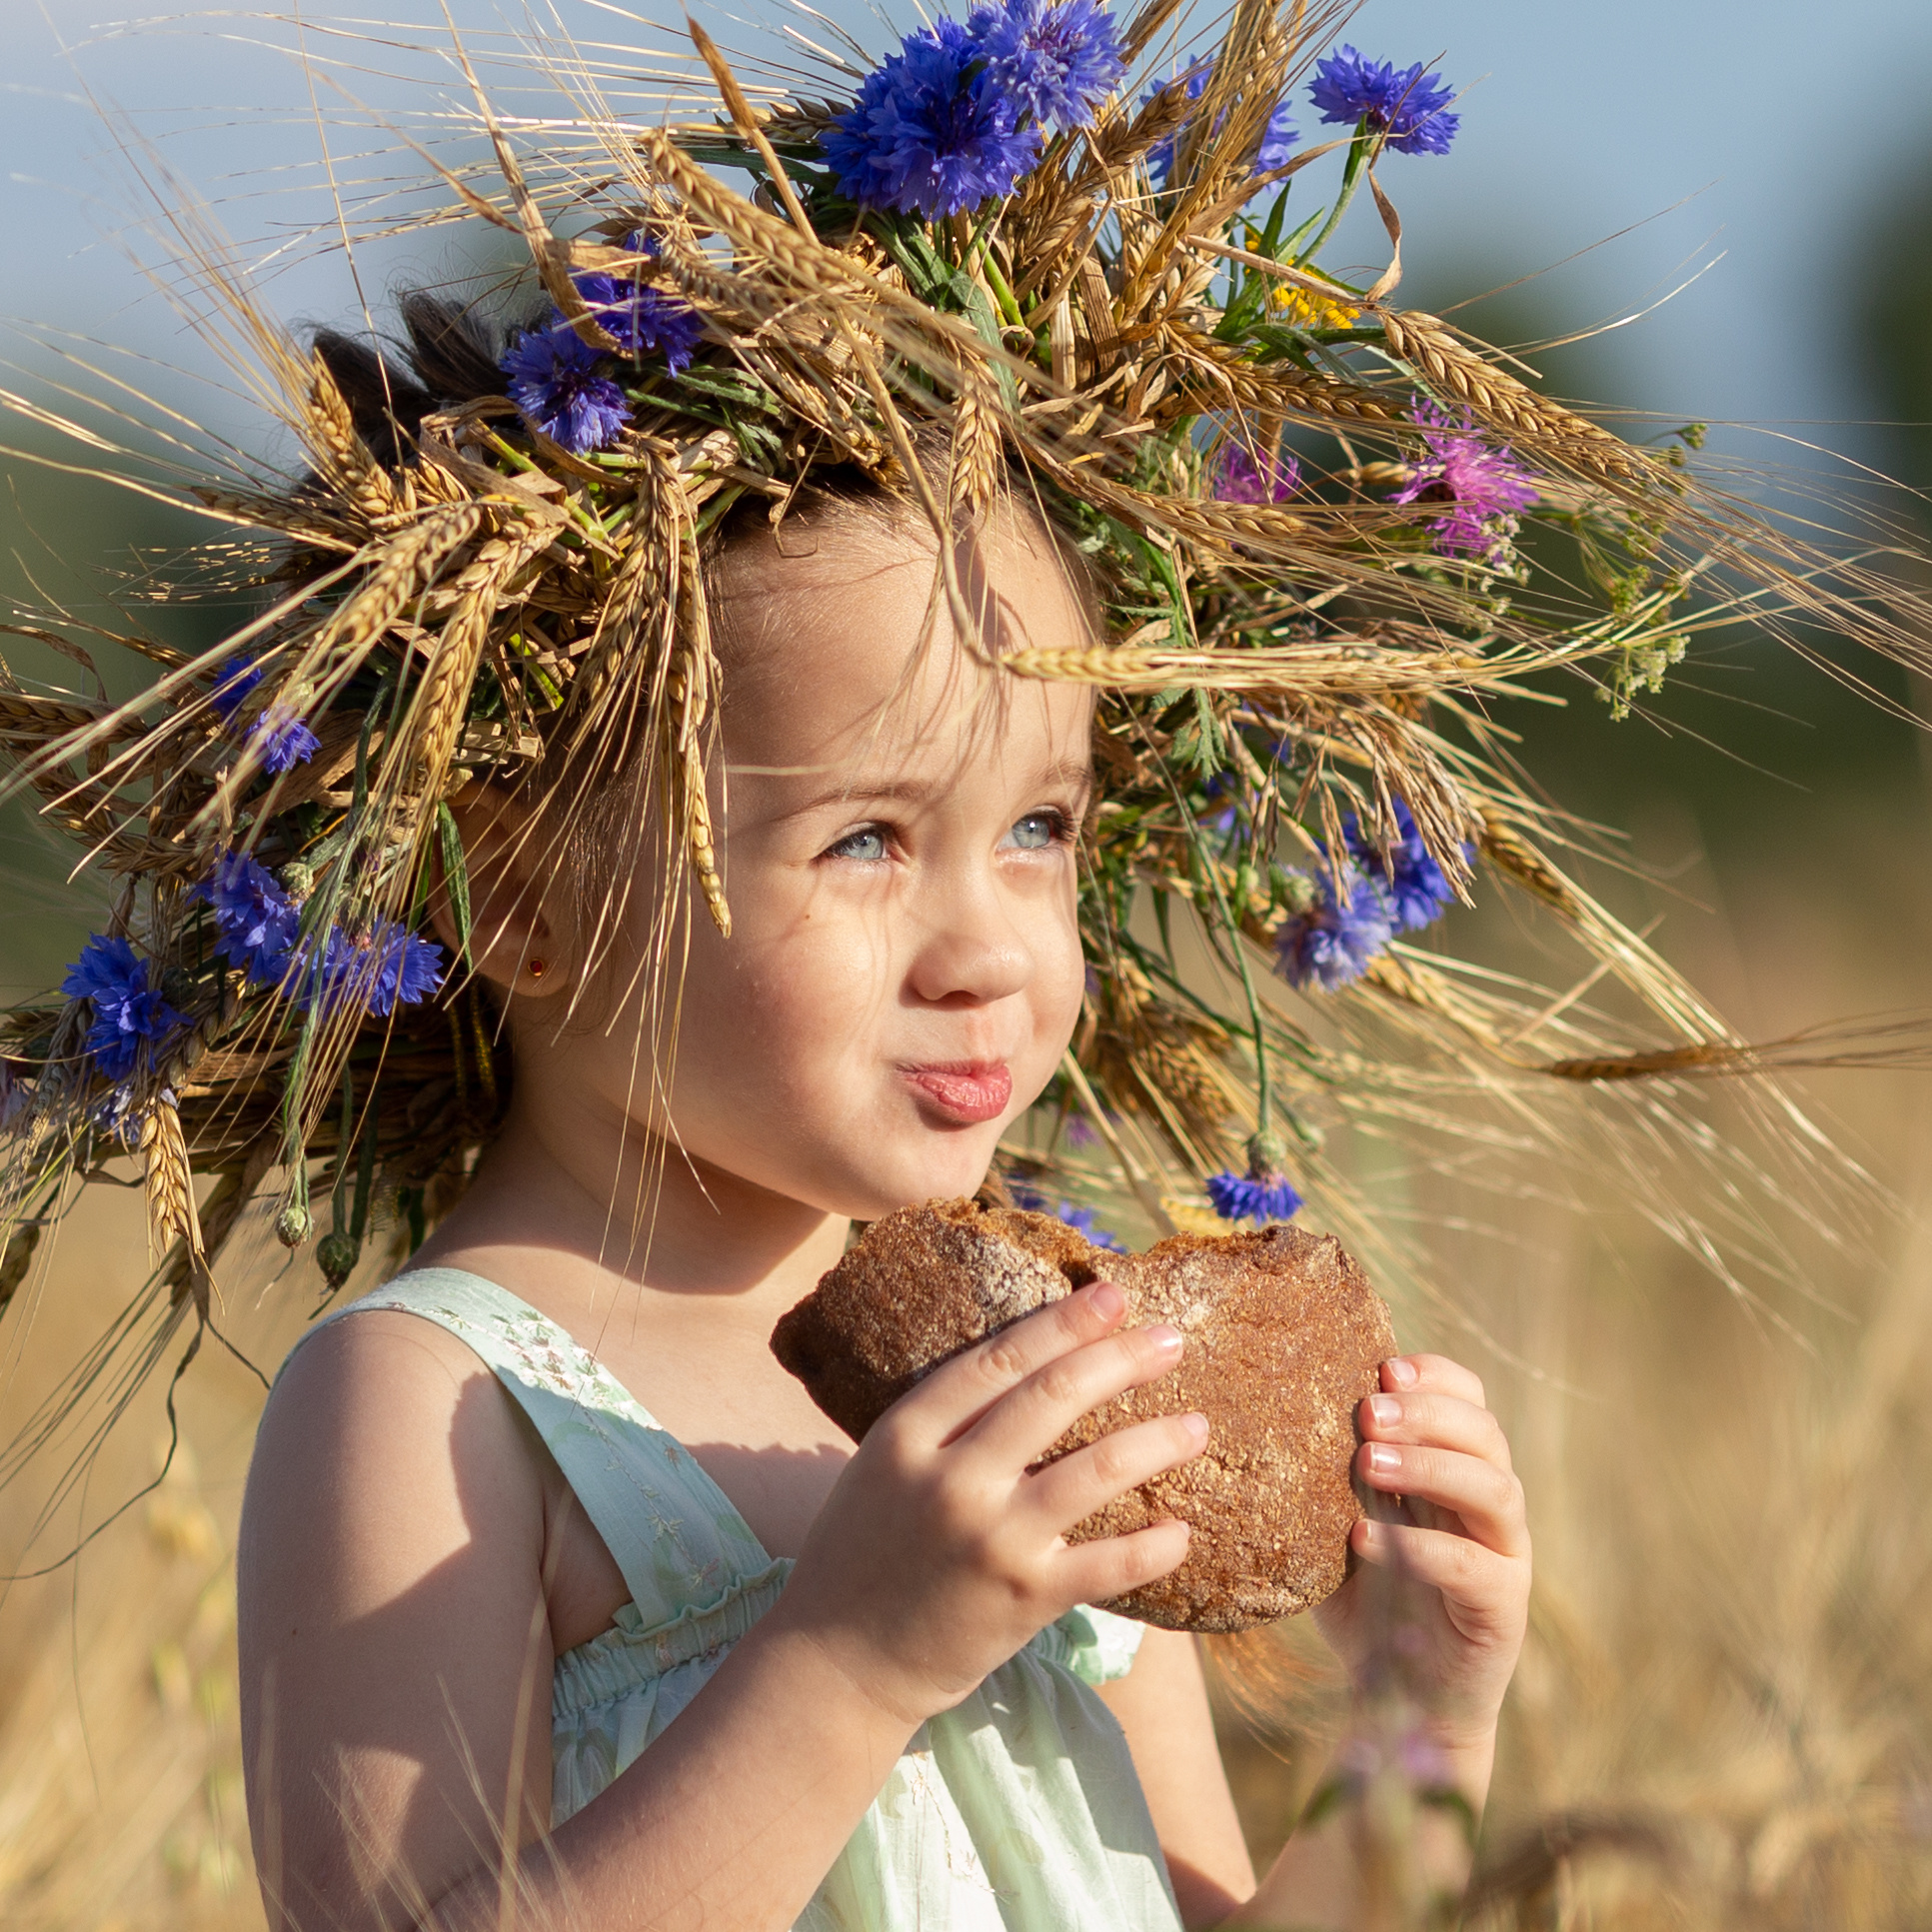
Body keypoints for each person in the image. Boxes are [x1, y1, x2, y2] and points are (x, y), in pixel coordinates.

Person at [237, 485, 1531, 1930]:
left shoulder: (1054, 1384)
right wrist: (850, 1669)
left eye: (1037, 824)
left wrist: (1420, 1727)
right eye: (865, 838)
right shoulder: (429, 1402)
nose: (990, 950)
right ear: (527, 897)